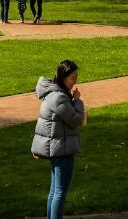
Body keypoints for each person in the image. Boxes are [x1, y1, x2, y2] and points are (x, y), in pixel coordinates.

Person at [32, 59, 86, 219]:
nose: (75, 82)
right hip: (62, 149)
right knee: (60, 193)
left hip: (56, 148)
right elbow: (75, 119)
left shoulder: (54, 93)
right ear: (63, 77)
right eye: (73, 78)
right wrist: (77, 101)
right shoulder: (59, 98)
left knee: (55, 191)